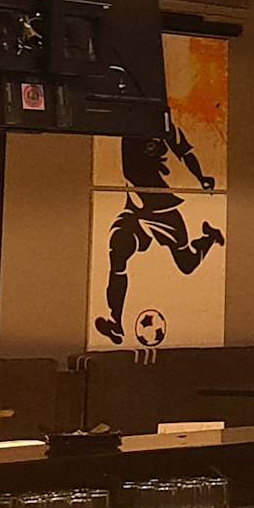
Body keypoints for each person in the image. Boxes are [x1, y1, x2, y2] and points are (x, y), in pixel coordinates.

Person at [94, 107, 225, 346]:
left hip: (163, 209)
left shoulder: (166, 129)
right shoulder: (127, 127)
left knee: (186, 264)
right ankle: (116, 322)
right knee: (118, 249)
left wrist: (202, 178)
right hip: (135, 207)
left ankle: (209, 238)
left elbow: (185, 153)